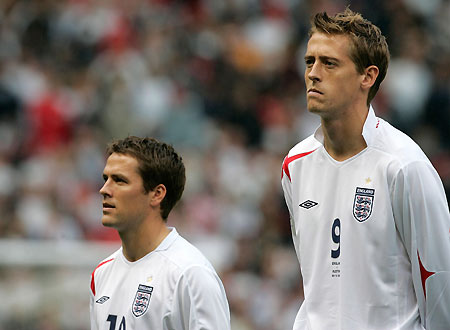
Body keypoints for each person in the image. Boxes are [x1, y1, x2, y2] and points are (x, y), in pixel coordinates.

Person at [281, 8, 450, 330]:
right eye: (309, 61)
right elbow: (315, 276)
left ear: (367, 76)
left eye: (329, 63)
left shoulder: (404, 166)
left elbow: (440, 279)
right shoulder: (295, 164)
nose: (313, 73)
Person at [90, 136, 231, 330]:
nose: (104, 190)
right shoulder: (101, 274)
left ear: (157, 194)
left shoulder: (190, 274)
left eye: (120, 180)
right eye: (106, 179)